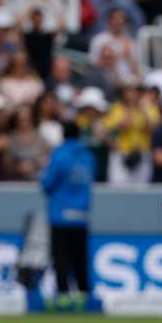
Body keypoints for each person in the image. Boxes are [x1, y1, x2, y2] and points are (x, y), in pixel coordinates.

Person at [41, 121, 96, 295]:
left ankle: (63, 296)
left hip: (60, 216)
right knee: (81, 260)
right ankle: (84, 296)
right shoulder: (88, 156)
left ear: (63, 135)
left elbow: (48, 184)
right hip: (81, 215)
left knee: (61, 260)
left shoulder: (59, 155)